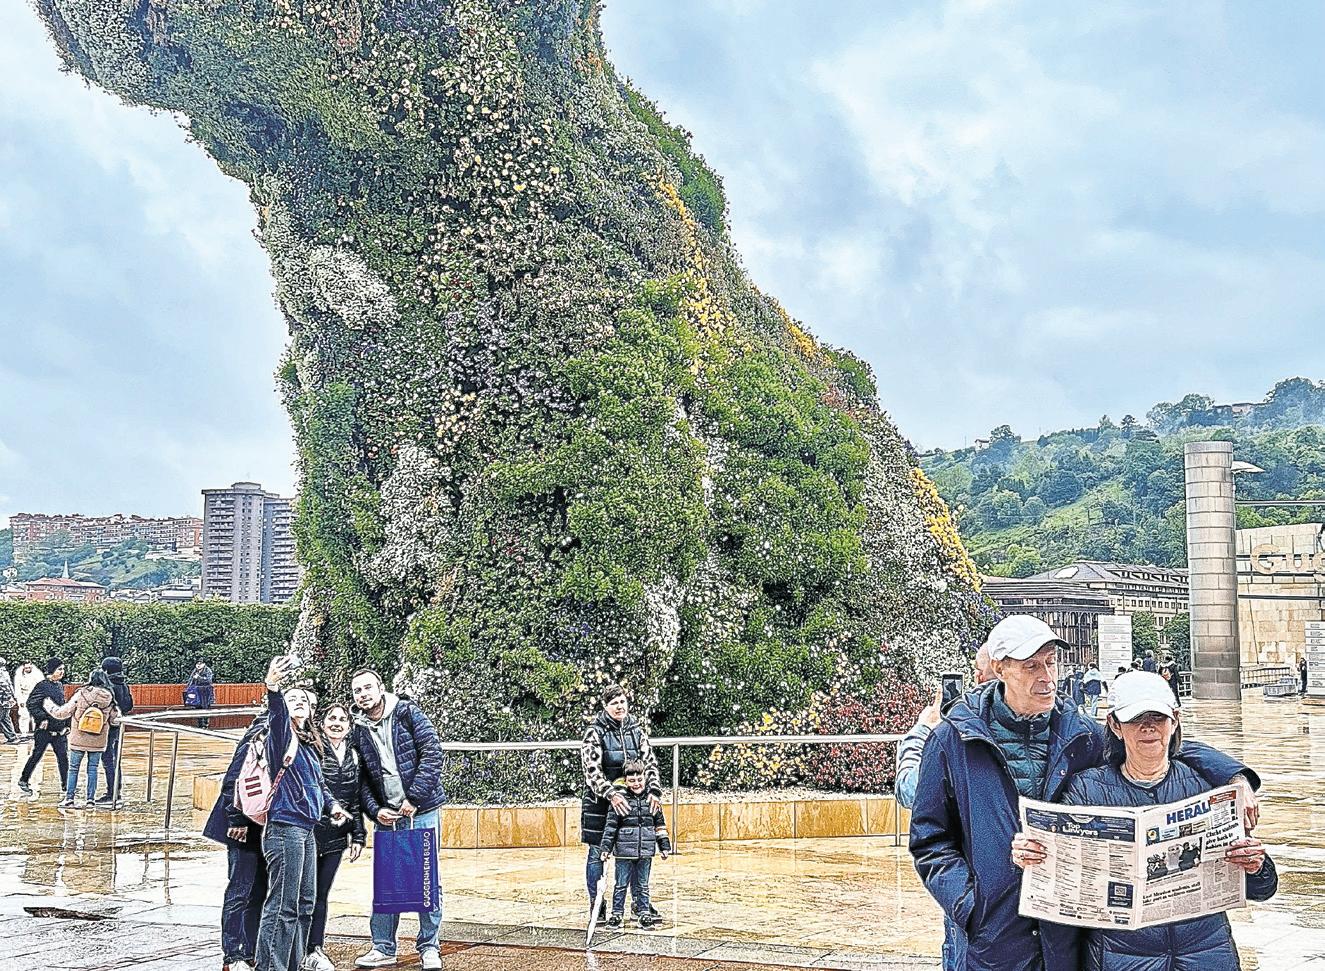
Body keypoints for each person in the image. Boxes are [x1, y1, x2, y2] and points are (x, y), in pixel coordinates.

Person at [910, 615, 1260, 971]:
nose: (1047, 678)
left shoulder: (1081, 733)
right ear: (1000, 669)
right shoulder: (953, 740)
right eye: (1031, 667)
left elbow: (1156, 744)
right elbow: (929, 839)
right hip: (992, 934)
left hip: (1063, 935)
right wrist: (970, 904)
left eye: (1051, 663)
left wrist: (1235, 777)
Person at [1012, 672, 1276, 971]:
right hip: (1120, 957)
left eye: (1158, 718)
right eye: (1136, 719)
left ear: (1174, 721)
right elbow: (1057, 872)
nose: (1148, 727)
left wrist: (1256, 865)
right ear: (1115, 725)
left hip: (1206, 954)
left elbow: (1262, 889)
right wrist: (1030, 855)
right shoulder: (1086, 789)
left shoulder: (1207, 784)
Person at [894, 644, 994, 971]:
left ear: (983, 676)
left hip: (974, 901)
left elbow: (910, 789)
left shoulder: (958, 735)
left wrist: (923, 731)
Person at [255, 656, 349, 971]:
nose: (298, 703)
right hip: (285, 828)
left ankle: (294, 963)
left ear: (311, 712)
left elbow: (318, 785)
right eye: (292, 699)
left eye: (304, 701)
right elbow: (276, 714)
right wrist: (273, 687)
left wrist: (332, 806)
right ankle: (271, 967)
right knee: (283, 903)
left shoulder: (309, 745)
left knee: (305, 903)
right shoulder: (282, 737)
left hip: (306, 830)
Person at [349, 669, 446, 970]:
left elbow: (432, 754)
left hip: (421, 811)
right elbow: (361, 779)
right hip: (387, 817)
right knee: (387, 881)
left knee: (426, 880)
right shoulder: (357, 729)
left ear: (381, 688)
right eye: (357, 691)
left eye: (368, 687)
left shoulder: (407, 712)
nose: (363, 694)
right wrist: (374, 810)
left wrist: (413, 798)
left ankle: (429, 947)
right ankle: (383, 947)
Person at [580, 684, 664, 924]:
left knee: (637, 851)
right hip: (600, 803)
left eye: (622, 701)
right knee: (597, 853)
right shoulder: (594, 733)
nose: (619, 706)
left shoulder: (636, 730)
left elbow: (649, 763)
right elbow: (591, 771)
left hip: (634, 802)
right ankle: (597, 904)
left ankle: (640, 903)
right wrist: (611, 794)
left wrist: (653, 790)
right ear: (605, 706)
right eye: (614, 703)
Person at [203, 712, 270, 971]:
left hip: (266, 825)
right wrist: (236, 819)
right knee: (240, 889)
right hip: (244, 826)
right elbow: (234, 777)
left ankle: (250, 949)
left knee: (259, 890)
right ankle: (232, 954)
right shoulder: (262, 730)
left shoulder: (293, 734)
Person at [305, 702, 366, 971]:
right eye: (332, 718)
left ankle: (314, 948)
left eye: (342, 719)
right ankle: (293, 947)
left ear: (349, 726)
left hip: (336, 837)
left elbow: (355, 798)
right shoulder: (314, 750)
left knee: (321, 894)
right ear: (322, 723)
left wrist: (358, 835)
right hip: (311, 832)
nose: (337, 723)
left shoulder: (353, 755)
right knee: (303, 894)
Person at [599, 758, 672, 929]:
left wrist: (664, 846)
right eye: (632, 780)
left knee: (643, 885)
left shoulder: (652, 799)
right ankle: (617, 913)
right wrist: (606, 848)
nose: (637, 783)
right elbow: (611, 826)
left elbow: (660, 825)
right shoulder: (620, 800)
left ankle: (644, 913)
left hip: (645, 851)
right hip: (624, 851)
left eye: (640, 779)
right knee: (621, 884)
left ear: (645, 778)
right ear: (625, 781)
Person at [48, 669, 121, 809]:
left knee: (73, 769)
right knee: (93, 769)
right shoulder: (109, 697)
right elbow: (114, 721)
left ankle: (69, 799)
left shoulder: (81, 693)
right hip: (98, 740)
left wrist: (49, 707)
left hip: (78, 739)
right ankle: (90, 800)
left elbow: (63, 713)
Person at [17, 657, 71, 796]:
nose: (62, 672)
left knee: (63, 758)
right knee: (37, 755)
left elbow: (63, 706)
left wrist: (67, 724)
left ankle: (66, 785)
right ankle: (23, 780)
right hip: (44, 730)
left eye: (63, 669)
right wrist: (42, 718)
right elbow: (31, 704)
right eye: (59, 669)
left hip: (59, 729)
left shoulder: (59, 685)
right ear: (52, 670)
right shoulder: (42, 686)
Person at [97, 656, 135, 806]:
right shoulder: (124, 684)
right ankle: (116, 790)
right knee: (116, 758)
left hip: (108, 727)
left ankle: (111, 792)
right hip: (120, 725)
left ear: (106, 670)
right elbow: (129, 705)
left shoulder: (108, 685)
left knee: (107, 758)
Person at [14, 660, 42, 736]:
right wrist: (20, 700)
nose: (28, 669)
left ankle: (36, 732)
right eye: (26, 668)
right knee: (24, 715)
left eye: (29, 667)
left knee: (36, 715)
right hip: (24, 695)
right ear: (23, 667)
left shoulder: (37, 673)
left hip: (35, 695)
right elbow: (17, 688)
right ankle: (24, 732)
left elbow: (41, 685)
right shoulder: (18, 675)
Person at [186, 657, 216, 728]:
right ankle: (199, 725)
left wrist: (199, 678)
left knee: (205, 709)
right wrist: (188, 689)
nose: (198, 665)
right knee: (197, 708)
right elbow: (190, 680)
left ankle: (205, 725)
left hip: (205, 693)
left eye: (200, 663)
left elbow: (209, 681)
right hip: (197, 692)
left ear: (204, 664)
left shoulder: (208, 670)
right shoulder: (195, 671)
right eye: (197, 663)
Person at [0, 657, 18, 743]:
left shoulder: (1, 673)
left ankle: (12, 737)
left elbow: (5, 686)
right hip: (5, 700)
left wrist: (9, 697)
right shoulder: (4, 672)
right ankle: (12, 737)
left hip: (3, 700)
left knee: (3, 718)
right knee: (5, 719)